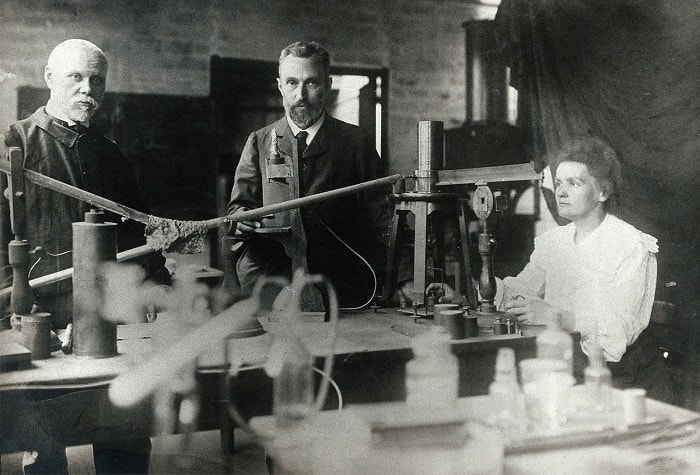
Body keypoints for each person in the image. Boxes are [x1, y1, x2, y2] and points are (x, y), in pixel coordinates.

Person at [0, 39, 169, 474]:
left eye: (97, 80)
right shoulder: (15, 147)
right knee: (42, 441)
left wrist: (156, 286)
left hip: (109, 318)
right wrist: (18, 313)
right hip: (41, 315)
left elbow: (136, 233)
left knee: (126, 428)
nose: (86, 90)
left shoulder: (110, 154)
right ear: (50, 79)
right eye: (76, 77)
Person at [433, 137, 671, 401]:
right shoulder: (555, 242)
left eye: (574, 183)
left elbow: (619, 330)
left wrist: (555, 316)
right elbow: (519, 291)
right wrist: (466, 297)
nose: (561, 192)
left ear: (602, 192)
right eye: (558, 183)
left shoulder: (630, 245)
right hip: (567, 367)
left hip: (623, 381)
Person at [228, 41, 392, 309]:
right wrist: (240, 220)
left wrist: (404, 277)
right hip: (271, 287)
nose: (300, 95)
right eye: (292, 83)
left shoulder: (355, 142)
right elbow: (239, 207)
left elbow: (383, 218)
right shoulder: (259, 142)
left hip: (342, 289)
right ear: (280, 85)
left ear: (327, 84)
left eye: (311, 83)